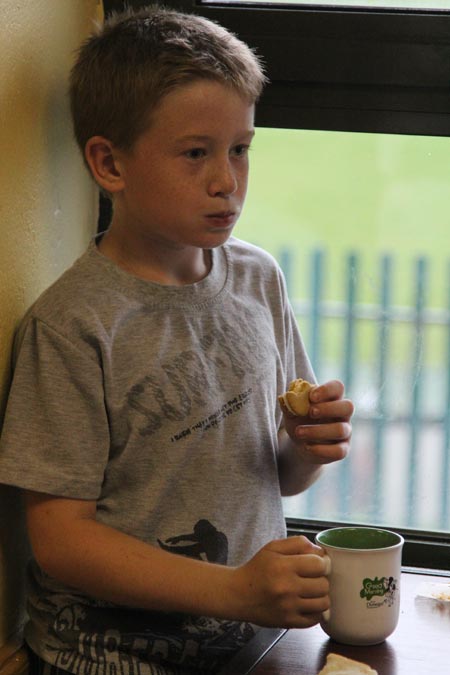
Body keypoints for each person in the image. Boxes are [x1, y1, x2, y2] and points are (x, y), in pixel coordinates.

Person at [0, 6, 353, 675]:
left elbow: (276, 478)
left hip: (247, 642)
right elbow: (61, 542)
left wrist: (307, 449)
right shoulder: (73, 325)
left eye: (240, 148)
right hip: (104, 659)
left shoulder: (258, 279)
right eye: (196, 153)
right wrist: (236, 588)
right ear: (109, 164)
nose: (227, 180)